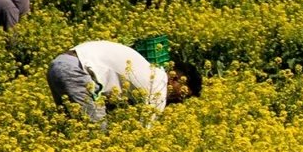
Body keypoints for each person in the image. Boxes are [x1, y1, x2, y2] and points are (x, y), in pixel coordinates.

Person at [47, 40, 200, 125]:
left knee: (71, 124)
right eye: (184, 93)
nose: (181, 100)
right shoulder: (158, 86)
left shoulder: (147, 71)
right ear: (174, 79)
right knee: (97, 134)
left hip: (59, 63)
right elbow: (144, 131)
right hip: (75, 71)